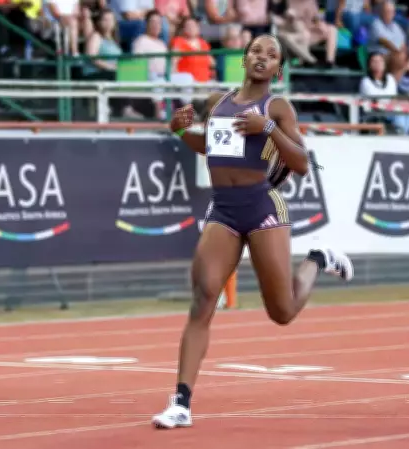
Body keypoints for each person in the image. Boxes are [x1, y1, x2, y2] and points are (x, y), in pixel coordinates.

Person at [151, 33, 354, 430]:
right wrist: (179, 132)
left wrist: (268, 130)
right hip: (223, 211)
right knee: (203, 296)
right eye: (256, 51)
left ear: (278, 68)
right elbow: (212, 148)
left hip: (263, 209)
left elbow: (300, 163)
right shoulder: (219, 103)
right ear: (244, 60)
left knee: (282, 312)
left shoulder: (277, 107)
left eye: (272, 54)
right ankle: (181, 402)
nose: (262, 57)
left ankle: (317, 260)